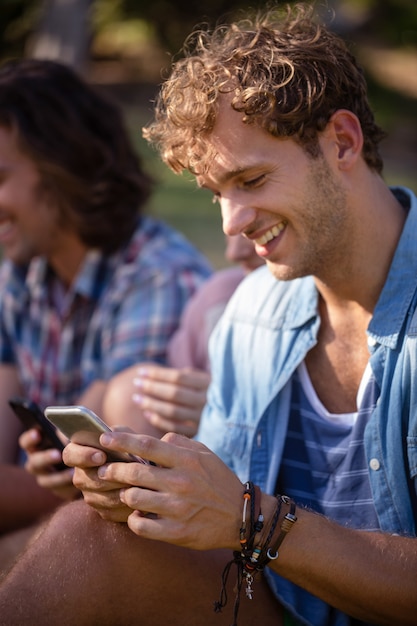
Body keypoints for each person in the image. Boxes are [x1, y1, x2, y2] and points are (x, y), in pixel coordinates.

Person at [0, 4, 416, 625]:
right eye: (217, 193)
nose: (231, 224)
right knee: (85, 537)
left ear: (342, 142)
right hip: (278, 607)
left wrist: (256, 521)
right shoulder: (252, 312)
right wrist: (151, 497)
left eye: (251, 179)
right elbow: (226, 523)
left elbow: (245, 522)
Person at [0, 58, 211, 565]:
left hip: (131, 544)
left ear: (63, 167)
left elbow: (81, 479)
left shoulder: (156, 277)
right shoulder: (19, 273)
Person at [102, 234, 264, 437]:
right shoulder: (218, 299)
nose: (233, 253)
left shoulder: (163, 272)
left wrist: (235, 417)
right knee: (128, 393)